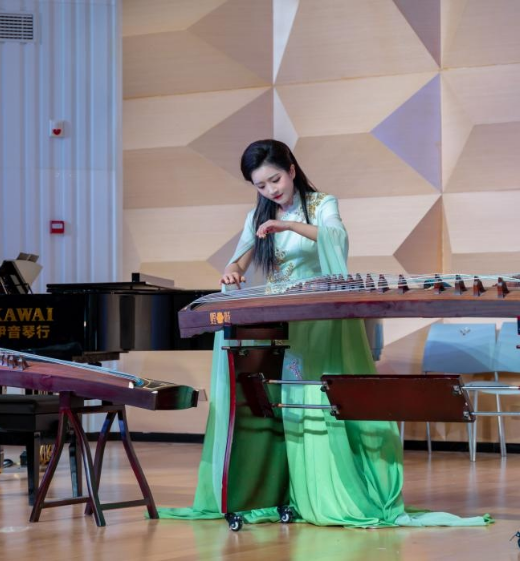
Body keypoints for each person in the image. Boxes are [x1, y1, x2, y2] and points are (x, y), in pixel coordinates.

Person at [159, 139, 489, 527]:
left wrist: (287, 225)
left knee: (312, 392)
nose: (270, 190)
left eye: (275, 180)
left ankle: (325, 493)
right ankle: (275, 491)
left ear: (292, 170)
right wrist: (232, 272)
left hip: (317, 314)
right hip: (279, 315)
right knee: (274, 396)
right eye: (260, 185)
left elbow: (336, 238)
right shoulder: (257, 216)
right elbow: (238, 260)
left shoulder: (321, 204)